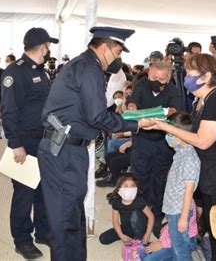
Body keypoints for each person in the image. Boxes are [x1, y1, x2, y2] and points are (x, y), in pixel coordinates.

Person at [37, 26, 147, 261]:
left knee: (72, 213)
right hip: (64, 151)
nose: (118, 58)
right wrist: (135, 125)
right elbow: (97, 116)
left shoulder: (85, 65)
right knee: (65, 219)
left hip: (68, 148)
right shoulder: (89, 68)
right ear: (105, 48)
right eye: (117, 52)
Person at [143, 54, 216, 260]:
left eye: (190, 74)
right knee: (213, 231)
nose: (186, 77)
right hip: (208, 173)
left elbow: (202, 140)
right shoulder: (203, 100)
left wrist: (164, 126)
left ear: (206, 76)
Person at [0, 27, 57, 260]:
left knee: (44, 189)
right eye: (48, 46)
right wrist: (15, 144)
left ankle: (43, 232)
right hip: (25, 141)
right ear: (42, 46)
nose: (49, 50)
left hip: (44, 140)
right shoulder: (15, 72)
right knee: (24, 192)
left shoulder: (42, 72)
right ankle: (22, 240)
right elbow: (8, 110)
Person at [127, 60, 182, 234]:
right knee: (140, 177)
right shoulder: (141, 85)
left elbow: (175, 110)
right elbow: (133, 103)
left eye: (161, 79)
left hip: (163, 142)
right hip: (141, 140)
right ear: (149, 72)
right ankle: (140, 215)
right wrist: (132, 109)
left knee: (160, 180)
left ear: (168, 78)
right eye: (154, 77)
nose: (156, 81)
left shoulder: (173, 89)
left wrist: (165, 114)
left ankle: (157, 215)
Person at [162, 112, 200, 259]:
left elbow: (189, 189)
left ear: (179, 134)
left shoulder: (189, 157)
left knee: (180, 248)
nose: (167, 137)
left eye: (169, 134)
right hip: (173, 208)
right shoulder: (180, 152)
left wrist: (184, 217)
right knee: (177, 245)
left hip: (179, 211)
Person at [99, 173, 154, 245]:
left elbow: (151, 217)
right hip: (125, 228)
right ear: (119, 188)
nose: (130, 189)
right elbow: (115, 221)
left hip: (140, 228)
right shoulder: (116, 203)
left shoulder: (139, 202)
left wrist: (147, 235)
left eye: (132, 186)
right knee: (103, 239)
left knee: (135, 215)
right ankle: (134, 239)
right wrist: (121, 235)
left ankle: (139, 239)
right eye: (126, 186)